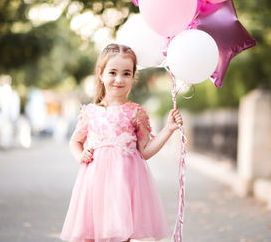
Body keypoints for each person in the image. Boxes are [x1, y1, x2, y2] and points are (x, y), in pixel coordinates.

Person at [60, 44, 183, 242]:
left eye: (126, 73)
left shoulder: (136, 112)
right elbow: (75, 141)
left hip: (124, 184)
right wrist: (79, 155)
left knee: (121, 233)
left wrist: (168, 129)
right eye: (113, 72)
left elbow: (145, 151)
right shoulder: (90, 112)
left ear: (133, 77)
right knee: (92, 234)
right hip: (95, 183)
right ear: (101, 74)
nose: (119, 79)